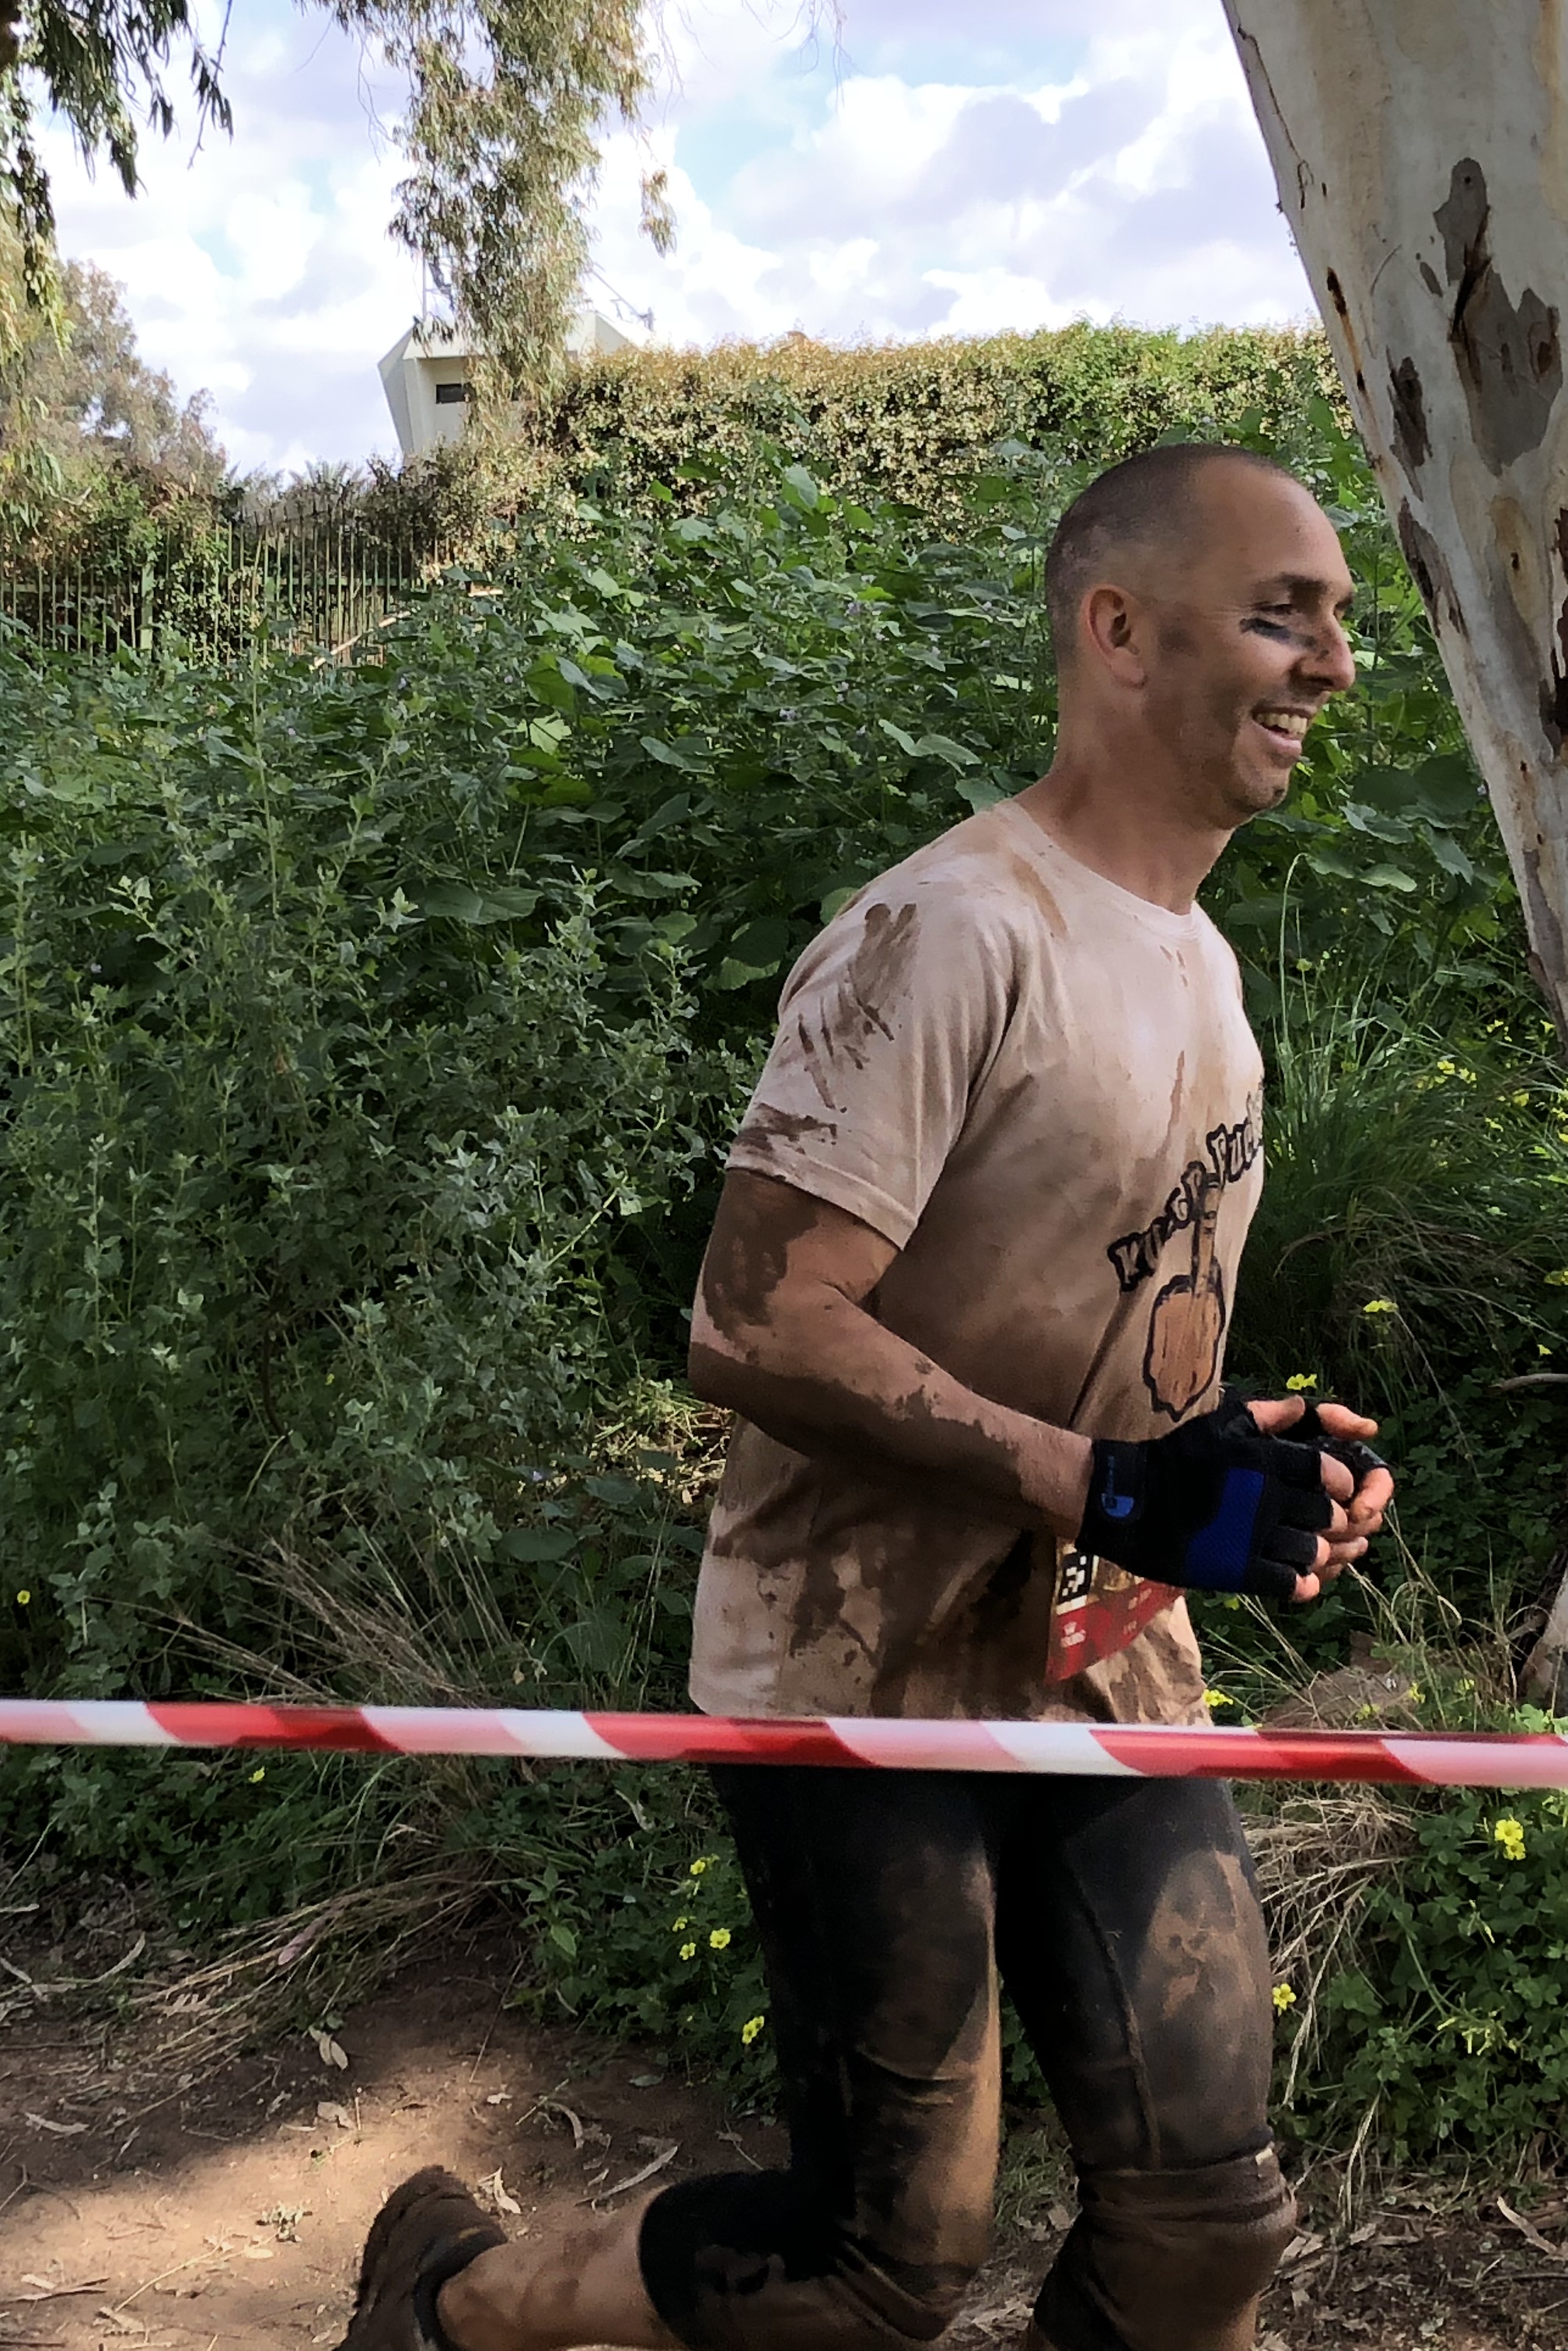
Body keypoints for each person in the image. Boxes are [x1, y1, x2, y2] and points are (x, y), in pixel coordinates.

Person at [339, 444, 1398, 2351]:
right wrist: (1098, 1478)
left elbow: (1112, 1310)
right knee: (881, 2260)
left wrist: (1233, 1460)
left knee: (1204, 2221)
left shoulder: (1205, 967)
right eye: (1282, 613)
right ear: (1120, 631)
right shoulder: (947, 934)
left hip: (1101, 1657)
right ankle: (454, 2300)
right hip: (862, 1670)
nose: (1334, 663)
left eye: (1340, 619)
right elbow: (754, 1325)